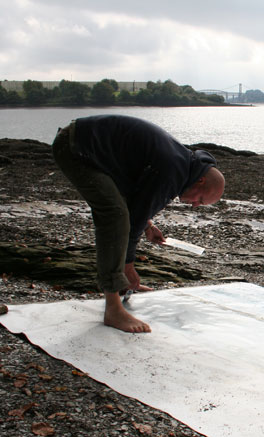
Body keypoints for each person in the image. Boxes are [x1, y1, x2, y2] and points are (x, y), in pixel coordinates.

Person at [51, 114, 225, 334]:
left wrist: (148, 226)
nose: (195, 206)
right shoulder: (173, 171)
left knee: (119, 211)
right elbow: (131, 221)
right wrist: (128, 267)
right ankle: (113, 309)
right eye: (200, 200)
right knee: (114, 215)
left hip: (88, 146)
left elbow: (136, 199)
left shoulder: (182, 164)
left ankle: (117, 287)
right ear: (200, 180)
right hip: (75, 148)